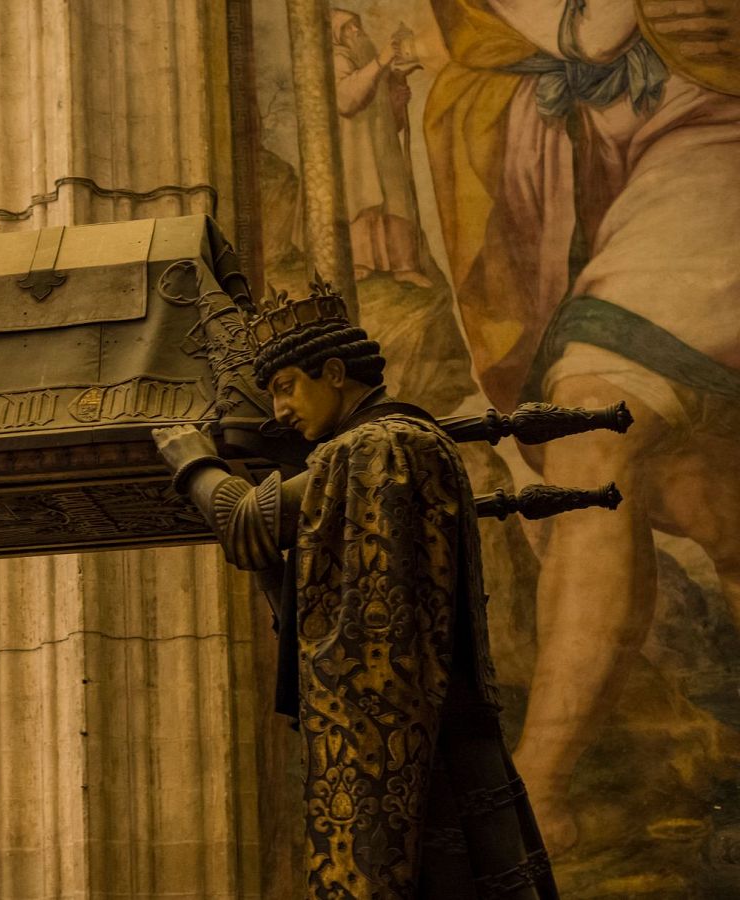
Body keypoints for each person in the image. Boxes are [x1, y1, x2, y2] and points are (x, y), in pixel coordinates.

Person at [423, 0, 740, 850]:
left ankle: (539, 789)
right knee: (709, 497)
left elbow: (595, 31)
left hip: (710, 157)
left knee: (594, 428)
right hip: (645, 168)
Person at [153, 284, 556, 899]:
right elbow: (301, 595)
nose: (280, 410)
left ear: (336, 373)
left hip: (402, 737)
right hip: (431, 723)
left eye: (286, 386)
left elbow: (243, 522)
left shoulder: (378, 444)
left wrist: (192, 461)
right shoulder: (397, 446)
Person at [332, 9, 433, 288]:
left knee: (396, 200)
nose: (356, 31)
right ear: (336, 34)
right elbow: (346, 100)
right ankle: (361, 262)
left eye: (356, 25)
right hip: (358, 148)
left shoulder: (368, 60)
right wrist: (380, 62)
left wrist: (397, 97)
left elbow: (387, 115)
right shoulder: (338, 59)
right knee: (364, 201)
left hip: (382, 146)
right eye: (347, 27)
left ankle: (404, 266)